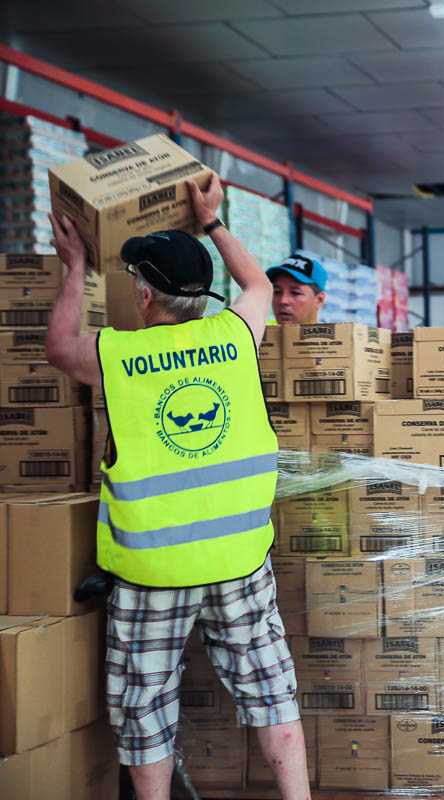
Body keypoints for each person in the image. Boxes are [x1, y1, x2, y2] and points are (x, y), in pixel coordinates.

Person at [45, 176, 310, 800]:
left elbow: (58, 347)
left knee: (147, 705)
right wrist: (213, 222)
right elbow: (259, 286)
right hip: (240, 558)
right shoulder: (235, 336)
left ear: (142, 295)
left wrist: (76, 266)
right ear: (202, 294)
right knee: (270, 689)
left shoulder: (118, 357)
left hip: (154, 566)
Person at [267, 252, 326, 324]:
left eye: (295, 293)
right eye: (277, 292)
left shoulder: (336, 334)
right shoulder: (258, 332)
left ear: (319, 300)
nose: (283, 301)